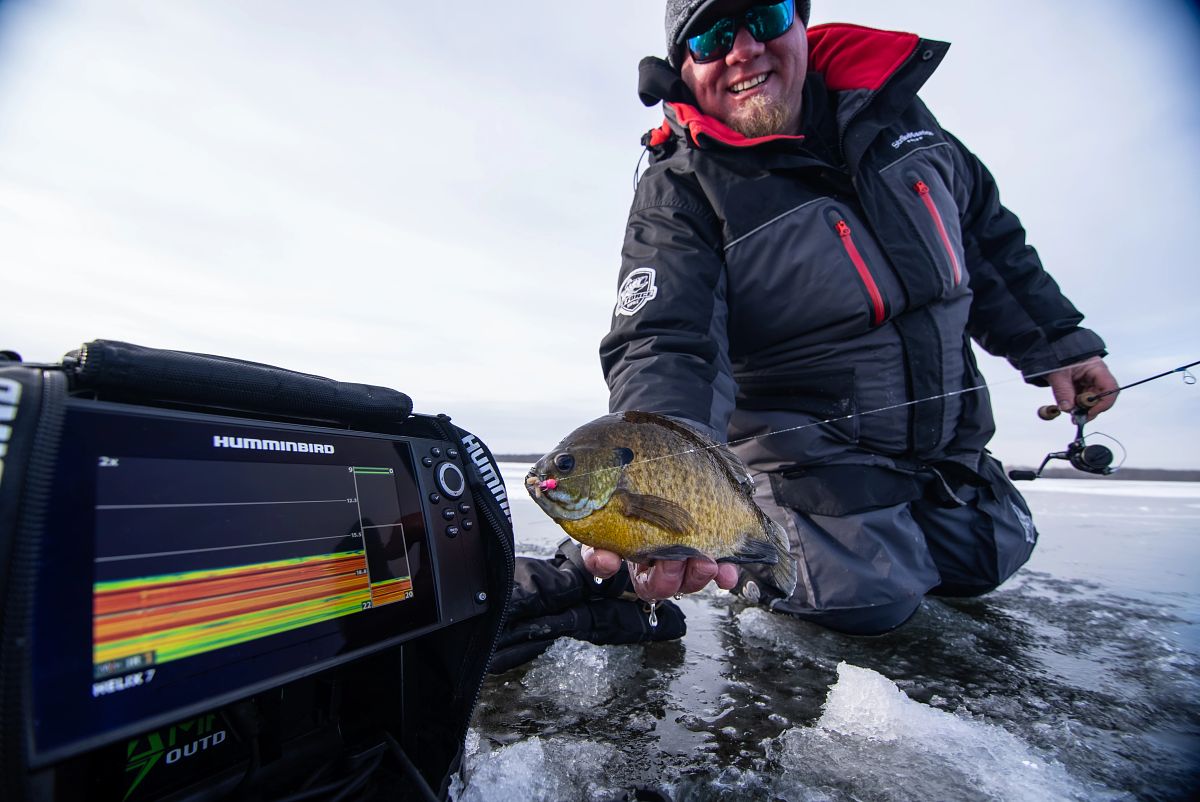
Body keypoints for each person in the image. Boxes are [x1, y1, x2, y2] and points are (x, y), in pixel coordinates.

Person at [491, 0, 1118, 670]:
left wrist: (1059, 343)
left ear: (800, 23)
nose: (741, 50)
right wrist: (666, 477)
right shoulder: (680, 188)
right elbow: (666, 340)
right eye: (708, 36)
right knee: (861, 608)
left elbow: (986, 241)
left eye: (762, 18)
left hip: (949, 449)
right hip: (815, 470)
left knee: (988, 556)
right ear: (684, 64)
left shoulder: (897, 115)